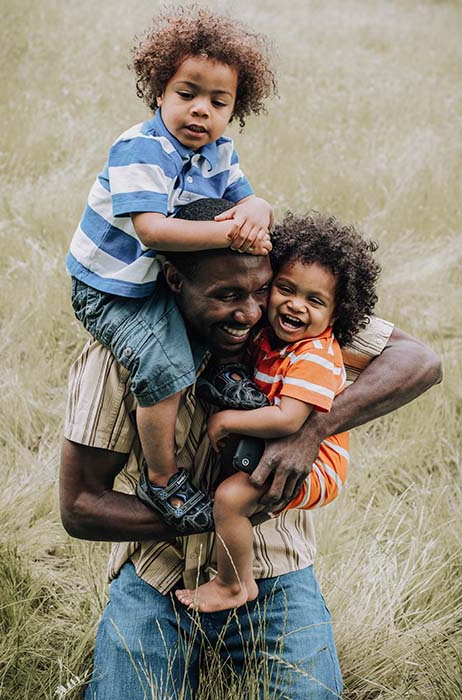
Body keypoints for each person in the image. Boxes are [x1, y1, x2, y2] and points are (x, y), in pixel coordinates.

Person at [60, 199, 442, 700]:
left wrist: (307, 435)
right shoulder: (122, 354)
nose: (249, 312)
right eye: (227, 295)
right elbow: (80, 507)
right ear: (175, 282)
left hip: (275, 568)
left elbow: (419, 360)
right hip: (155, 574)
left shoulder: (289, 318)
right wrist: (219, 513)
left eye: (261, 290)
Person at [65, 5, 276, 529]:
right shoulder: (142, 147)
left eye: (217, 101)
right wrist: (233, 229)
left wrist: (258, 209)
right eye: (187, 94)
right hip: (111, 288)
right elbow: (153, 230)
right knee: (163, 364)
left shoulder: (219, 151)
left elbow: (246, 200)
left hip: (160, 280)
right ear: (159, 91)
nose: (200, 111)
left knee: (211, 313)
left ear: (234, 110)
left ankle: (217, 377)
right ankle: (163, 480)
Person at [175, 212, 381, 612]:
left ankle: (234, 584)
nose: (295, 305)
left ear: (336, 315)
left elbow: (289, 420)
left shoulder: (315, 354)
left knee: (231, 498)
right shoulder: (275, 340)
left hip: (317, 464)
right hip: (284, 442)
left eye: (314, 300)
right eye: (285, 289)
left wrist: (225, 420)